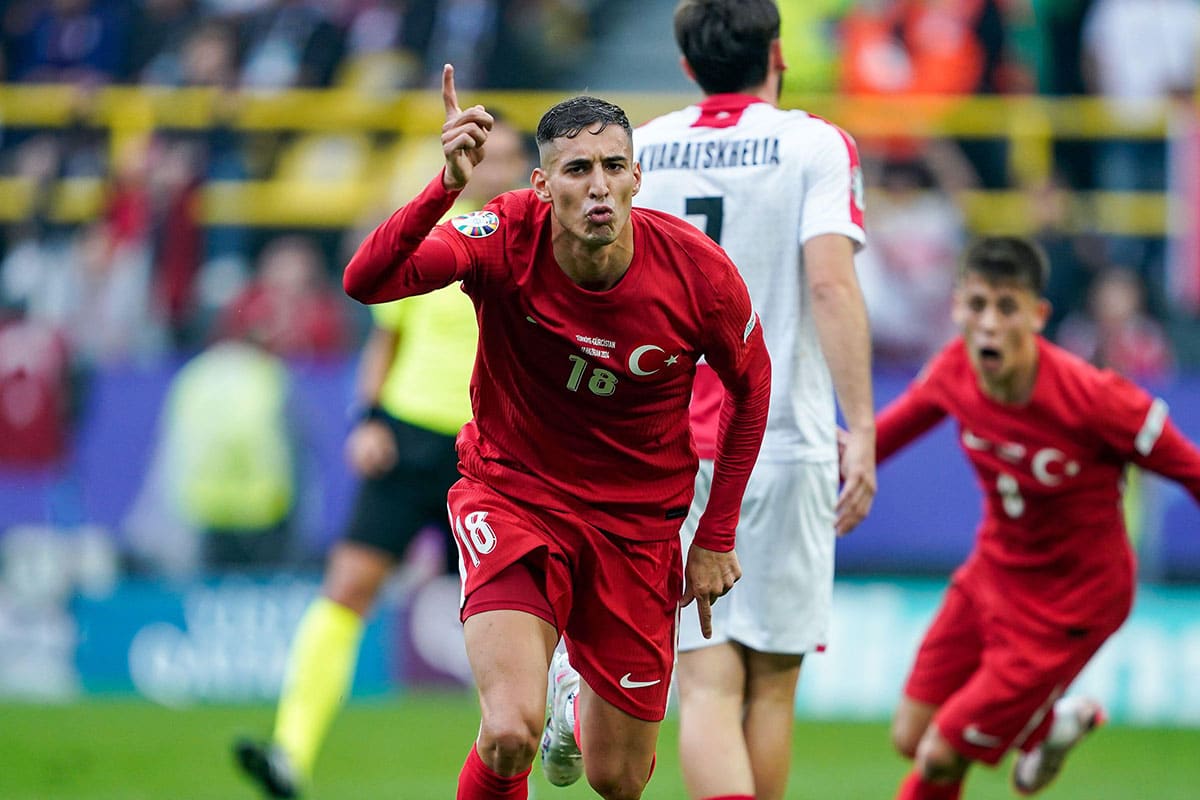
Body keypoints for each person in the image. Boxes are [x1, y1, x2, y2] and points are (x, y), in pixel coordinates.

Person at [343, 65, 770, 800]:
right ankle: (538, 715)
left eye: (611, 167)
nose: (597, 186)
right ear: (543, 186)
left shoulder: (700, 276)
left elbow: (751, 391)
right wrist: (445, 186)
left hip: (636, 529)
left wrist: (716, 535)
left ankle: (576, 702)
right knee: (508, 732)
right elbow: (367, 280)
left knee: (617, 778)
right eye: (576, 169)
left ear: (637, 177)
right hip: (515, 497)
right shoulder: (503, 232)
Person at [613, 3, 877, 800]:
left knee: (705, 686)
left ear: (689, 66)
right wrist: (860, 426)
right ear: (778, 54)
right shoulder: (815, 144)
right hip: (782, 437)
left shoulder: (644, 148)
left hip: (668, 446)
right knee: (771, 687)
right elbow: (830, 282)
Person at [233, 115, 534, 798]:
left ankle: (519, 768)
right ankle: (290, 752)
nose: (497, 168)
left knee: (508, 620)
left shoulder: (534, 247)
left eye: (511, 157)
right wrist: (367, 418)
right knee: (347, 587)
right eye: (488, 155)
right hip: (408, 439)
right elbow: (385, 342)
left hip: (491, 454)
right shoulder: (434, 241)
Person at [876, 237, 1200, 799]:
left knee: (938, 757)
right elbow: (871, 445)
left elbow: (1192, 471)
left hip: (1073, 600)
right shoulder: (954, 369)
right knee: (911, 735)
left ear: (1037, 315)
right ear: (956, 308)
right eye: (976, 306)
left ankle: (1037, 723)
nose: (989, 324)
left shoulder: (1096, 399)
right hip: (993, 574)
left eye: (1006, 308)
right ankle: (1050, 727)